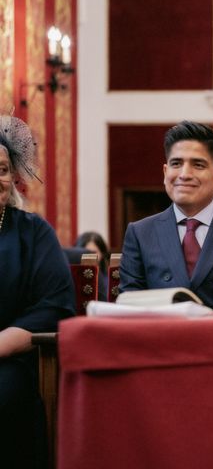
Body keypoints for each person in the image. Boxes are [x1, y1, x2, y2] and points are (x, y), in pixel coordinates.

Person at [119, 121, 213, 308]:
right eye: (176, 163)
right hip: (161, 335)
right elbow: (129, 305)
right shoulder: (140, 233)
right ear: (165, 173)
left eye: (198, 165)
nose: (184, 174)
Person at [0, 114, 75, 467]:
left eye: (1, 169)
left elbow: (54, 307)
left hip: (10, 361)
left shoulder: (34, 233)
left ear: (12, 177)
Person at [75, 231, 110, 301]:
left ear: (102, 253)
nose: (90, 256)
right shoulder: (73, 280)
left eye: (94, 252)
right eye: (86, 252)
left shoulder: (110, 279)